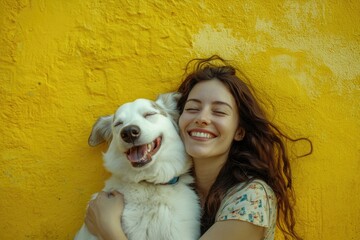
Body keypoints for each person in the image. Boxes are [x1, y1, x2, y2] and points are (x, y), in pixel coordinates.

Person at [84, 55, 312, 240]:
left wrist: (109, 228)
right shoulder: (175, 186)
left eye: (219, 111)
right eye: (192, 108)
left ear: (239, 131)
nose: (202, 118)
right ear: (177, 120)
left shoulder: (250, 199)